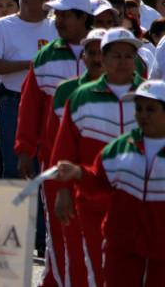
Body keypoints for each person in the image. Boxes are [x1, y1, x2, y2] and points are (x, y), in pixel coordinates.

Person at [52, 27, 143, 287]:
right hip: (92, 200)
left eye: (129, 55)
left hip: (139, 202)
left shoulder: (149, 97)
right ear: (102, 59)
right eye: (116, 55)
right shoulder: (81, 97)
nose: (123, 61)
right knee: (98, 270)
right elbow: (65, 150)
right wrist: (63, 190)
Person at [15, 0, 93, 287]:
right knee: (59, 230)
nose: (57, 20)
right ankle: (59, 280)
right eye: (56, 14)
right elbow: (30, 105)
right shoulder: (46, 57)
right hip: (54, 159)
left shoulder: (102, 52)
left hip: (96, 160)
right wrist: (24, 148)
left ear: (83, 18)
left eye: (64, 15)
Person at [56, 79, 165, 287]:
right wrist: (79, 173)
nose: (143, 115)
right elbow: (98, 182)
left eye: (151, 109)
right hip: (122, 248)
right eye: (139, 108)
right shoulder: (120, 148)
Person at [0, 0, 56, 177]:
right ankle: (16, 208)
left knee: (46, 167)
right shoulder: (2, 26)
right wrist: (31, 64)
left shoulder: (56, 26)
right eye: (42, 0)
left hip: (49, 105)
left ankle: (41, 208)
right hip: (14, 104)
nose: (47, 4)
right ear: (24, 2)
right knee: (16, 167)